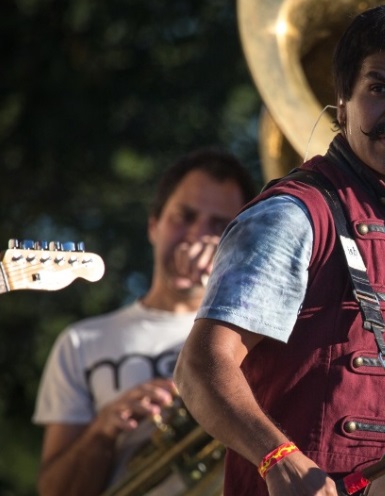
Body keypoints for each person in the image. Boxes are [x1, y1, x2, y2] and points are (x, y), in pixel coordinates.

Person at [174, 4, 385, 496]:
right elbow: (200, 367)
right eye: (379, 88)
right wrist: (278, 458)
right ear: (343, 100)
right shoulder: (291, 216)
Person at [32, 147, 256, 496]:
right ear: (154, 225)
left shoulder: (255, 341)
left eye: (220, 227)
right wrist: (104, 429)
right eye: (184, 216)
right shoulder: (82, 341)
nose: (198, 237)